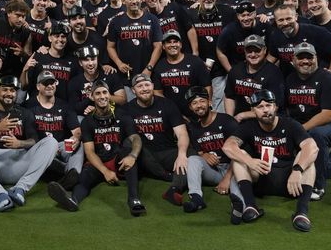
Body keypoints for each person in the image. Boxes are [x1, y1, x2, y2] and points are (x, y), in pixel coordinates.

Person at [222, 90, 319, 232]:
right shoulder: (249, 126)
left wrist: (297, 170)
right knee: (240, 156)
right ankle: (251, 206)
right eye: (260, 107)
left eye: (268, 105)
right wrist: (249, 161)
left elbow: (312, 147)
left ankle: (301, 213)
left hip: (290, 182)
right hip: (262, 177)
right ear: (253, 110)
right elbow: (228, 146)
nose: (265, 110)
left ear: (275, 107)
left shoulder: (290, 124)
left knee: (307, 159)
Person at [46, 80, 146, 216]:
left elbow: (136, 138)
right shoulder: (87, 121)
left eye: (105, 92)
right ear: (92, 97)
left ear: (109, 95)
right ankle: (73, 200)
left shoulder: (122, 115)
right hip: (98, 162)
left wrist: (133, 156)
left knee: (128, 156)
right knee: (84, 179)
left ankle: (134, 200)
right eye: (98, 93)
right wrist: (105, 171)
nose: (102, 96)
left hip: (117, 159)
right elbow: (90, 152)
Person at [0, 76, 57, 211]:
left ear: (16, 93)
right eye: (5, 89)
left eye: (12, 90)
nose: (9, 93)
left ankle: (20, 189)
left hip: (19, 162)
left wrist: (20, 143)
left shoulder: (25, 113)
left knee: (51, 142)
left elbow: (34, 140)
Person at [285, 43, 331, 200]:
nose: (305, 61)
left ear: (316, 58)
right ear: (293, 60)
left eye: (309, 57)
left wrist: (300, 130)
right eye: (301, 57)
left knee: (316, 135)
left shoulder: (328, 79)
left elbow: (329, 115)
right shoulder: (290, 79)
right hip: (305, 125)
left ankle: (318, 185)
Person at [122, 74, 190, 206]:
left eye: (147, 85)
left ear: (152, 86)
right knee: (128, 144)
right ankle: (165, 176)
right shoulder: (127, 109)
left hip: (166, 152)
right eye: (139, 86)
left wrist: (182, 154)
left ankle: (174, 189)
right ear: (133, 90)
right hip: (144, 156)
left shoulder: (167, 104)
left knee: (190, 154)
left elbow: (182, 133)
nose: (144, 89)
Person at [183, 86, 242, 218]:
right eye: (194, 103)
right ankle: (196, 198)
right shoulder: (193, 128)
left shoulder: (227, 121)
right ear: (191, 108)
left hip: (234, 168)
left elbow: (241, 153)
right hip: (214, 171)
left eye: (202, 101)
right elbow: (198, 151)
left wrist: (227, 178)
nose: (199, 105)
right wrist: (204, 155)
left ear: (209, 102)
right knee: (193, 159)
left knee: (237, 180)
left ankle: (239, 208)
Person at [24, 70, 83, 189]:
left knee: (80, 145)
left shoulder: (65, 105)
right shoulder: (27, 106)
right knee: (41, 158)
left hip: (61, 146)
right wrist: (49, 148)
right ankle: (68, 175)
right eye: (45, 83)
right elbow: (28, 137)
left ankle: (73, 174)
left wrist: (76, 138)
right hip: (40, 147)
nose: (50, 86)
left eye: (52, 83)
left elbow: (76, 130)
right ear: (38, 86)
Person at [188, 0, 236, 112]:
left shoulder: (227, 11)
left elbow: (245, 16)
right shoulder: (190, 14)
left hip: (220, 68)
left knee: (218, 104)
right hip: (199, 66)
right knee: (200, 103)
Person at [106, 0, 162, 91]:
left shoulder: (153, 19)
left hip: (149, 73)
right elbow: (110, 46)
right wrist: (119, 63)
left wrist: (149, 68)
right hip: (126, 76)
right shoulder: (116, 21)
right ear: (124, 0)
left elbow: (158, 46)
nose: (134, 1)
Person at [267, 3, 331, 77]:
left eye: (288, 18)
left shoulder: (315, 32)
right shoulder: (276, 35)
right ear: (275, 21)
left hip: (316, 80)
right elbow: (271, 57)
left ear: (296, 17)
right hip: (290, 82)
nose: (285, 23)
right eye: (281, 20)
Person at [224, 34, 286, 122]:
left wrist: (244, 115)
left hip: (267, 120)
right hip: (240, 120)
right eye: (249, 51)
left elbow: (275, 107)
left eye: (257, 50)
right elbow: (229, 96)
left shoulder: (274, 73)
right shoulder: (235, 70)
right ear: (244, 51)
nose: (253, 54)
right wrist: (230, 119)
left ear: (264, 50)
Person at [151, 30, 210, 117]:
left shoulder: (195, 61)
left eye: (175, 41)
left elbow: (207, 86)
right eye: (169, 42)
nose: (172, 45)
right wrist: (172, 111)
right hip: (172, 114)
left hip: (196, 111)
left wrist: (206, 106)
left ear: (181, 45)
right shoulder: (159, 66)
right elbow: (157, 92)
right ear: (163, 46)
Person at [67, 45, 126, 117]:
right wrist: (89, 99)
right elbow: (73, 108)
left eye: (93, 59)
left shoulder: (110, 74)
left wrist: (103, 97)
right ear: (80, 63)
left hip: (110, 114)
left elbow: (123, 100)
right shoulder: (74, 82)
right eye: (86, 60)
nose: (90, 63)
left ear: (97, 60)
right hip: (87, 117)